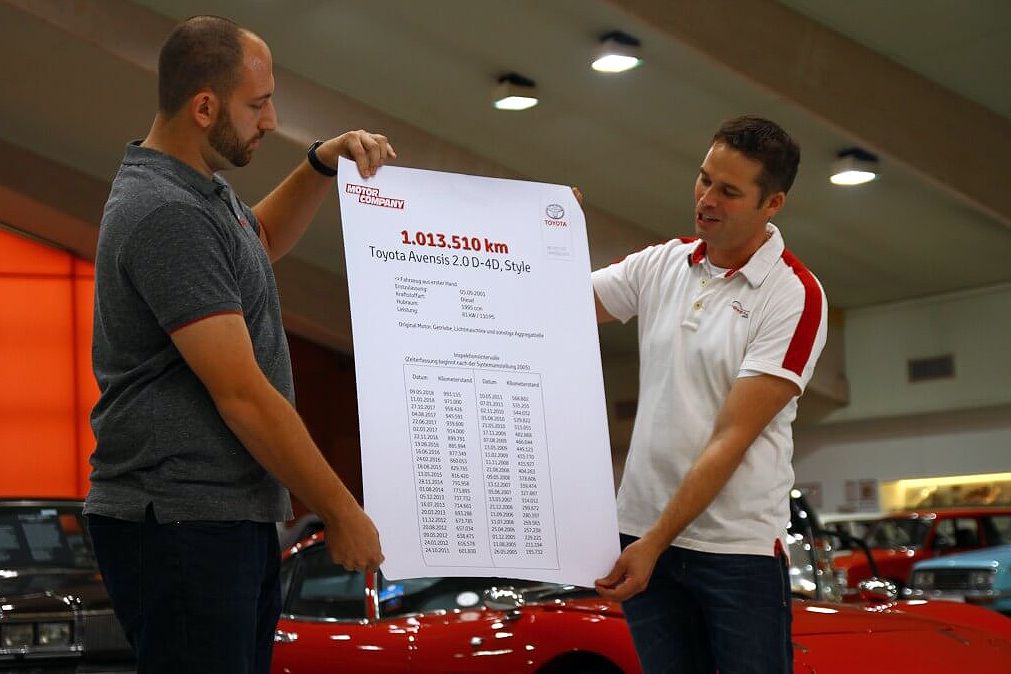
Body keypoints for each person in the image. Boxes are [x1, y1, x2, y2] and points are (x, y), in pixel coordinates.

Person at [84, 15, 394, 674]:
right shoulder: (168, 212)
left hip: (218, 515)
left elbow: (260, 242)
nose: (271, 120)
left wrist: (320, 164)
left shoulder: (197, 191)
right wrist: (340, 510)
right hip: (181, 518)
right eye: (257, 104)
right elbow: (242, 394)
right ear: (204, 107)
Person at [592, 116, 827, 674]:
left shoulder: (793, 295)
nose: (706, 199)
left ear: (772, 204)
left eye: (728, 190)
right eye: (703, 179)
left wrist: (655, 541)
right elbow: (548, 305)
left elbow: (730, 439)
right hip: (641, 535)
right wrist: (544, 231)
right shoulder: (661, 264)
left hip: (734, 551)